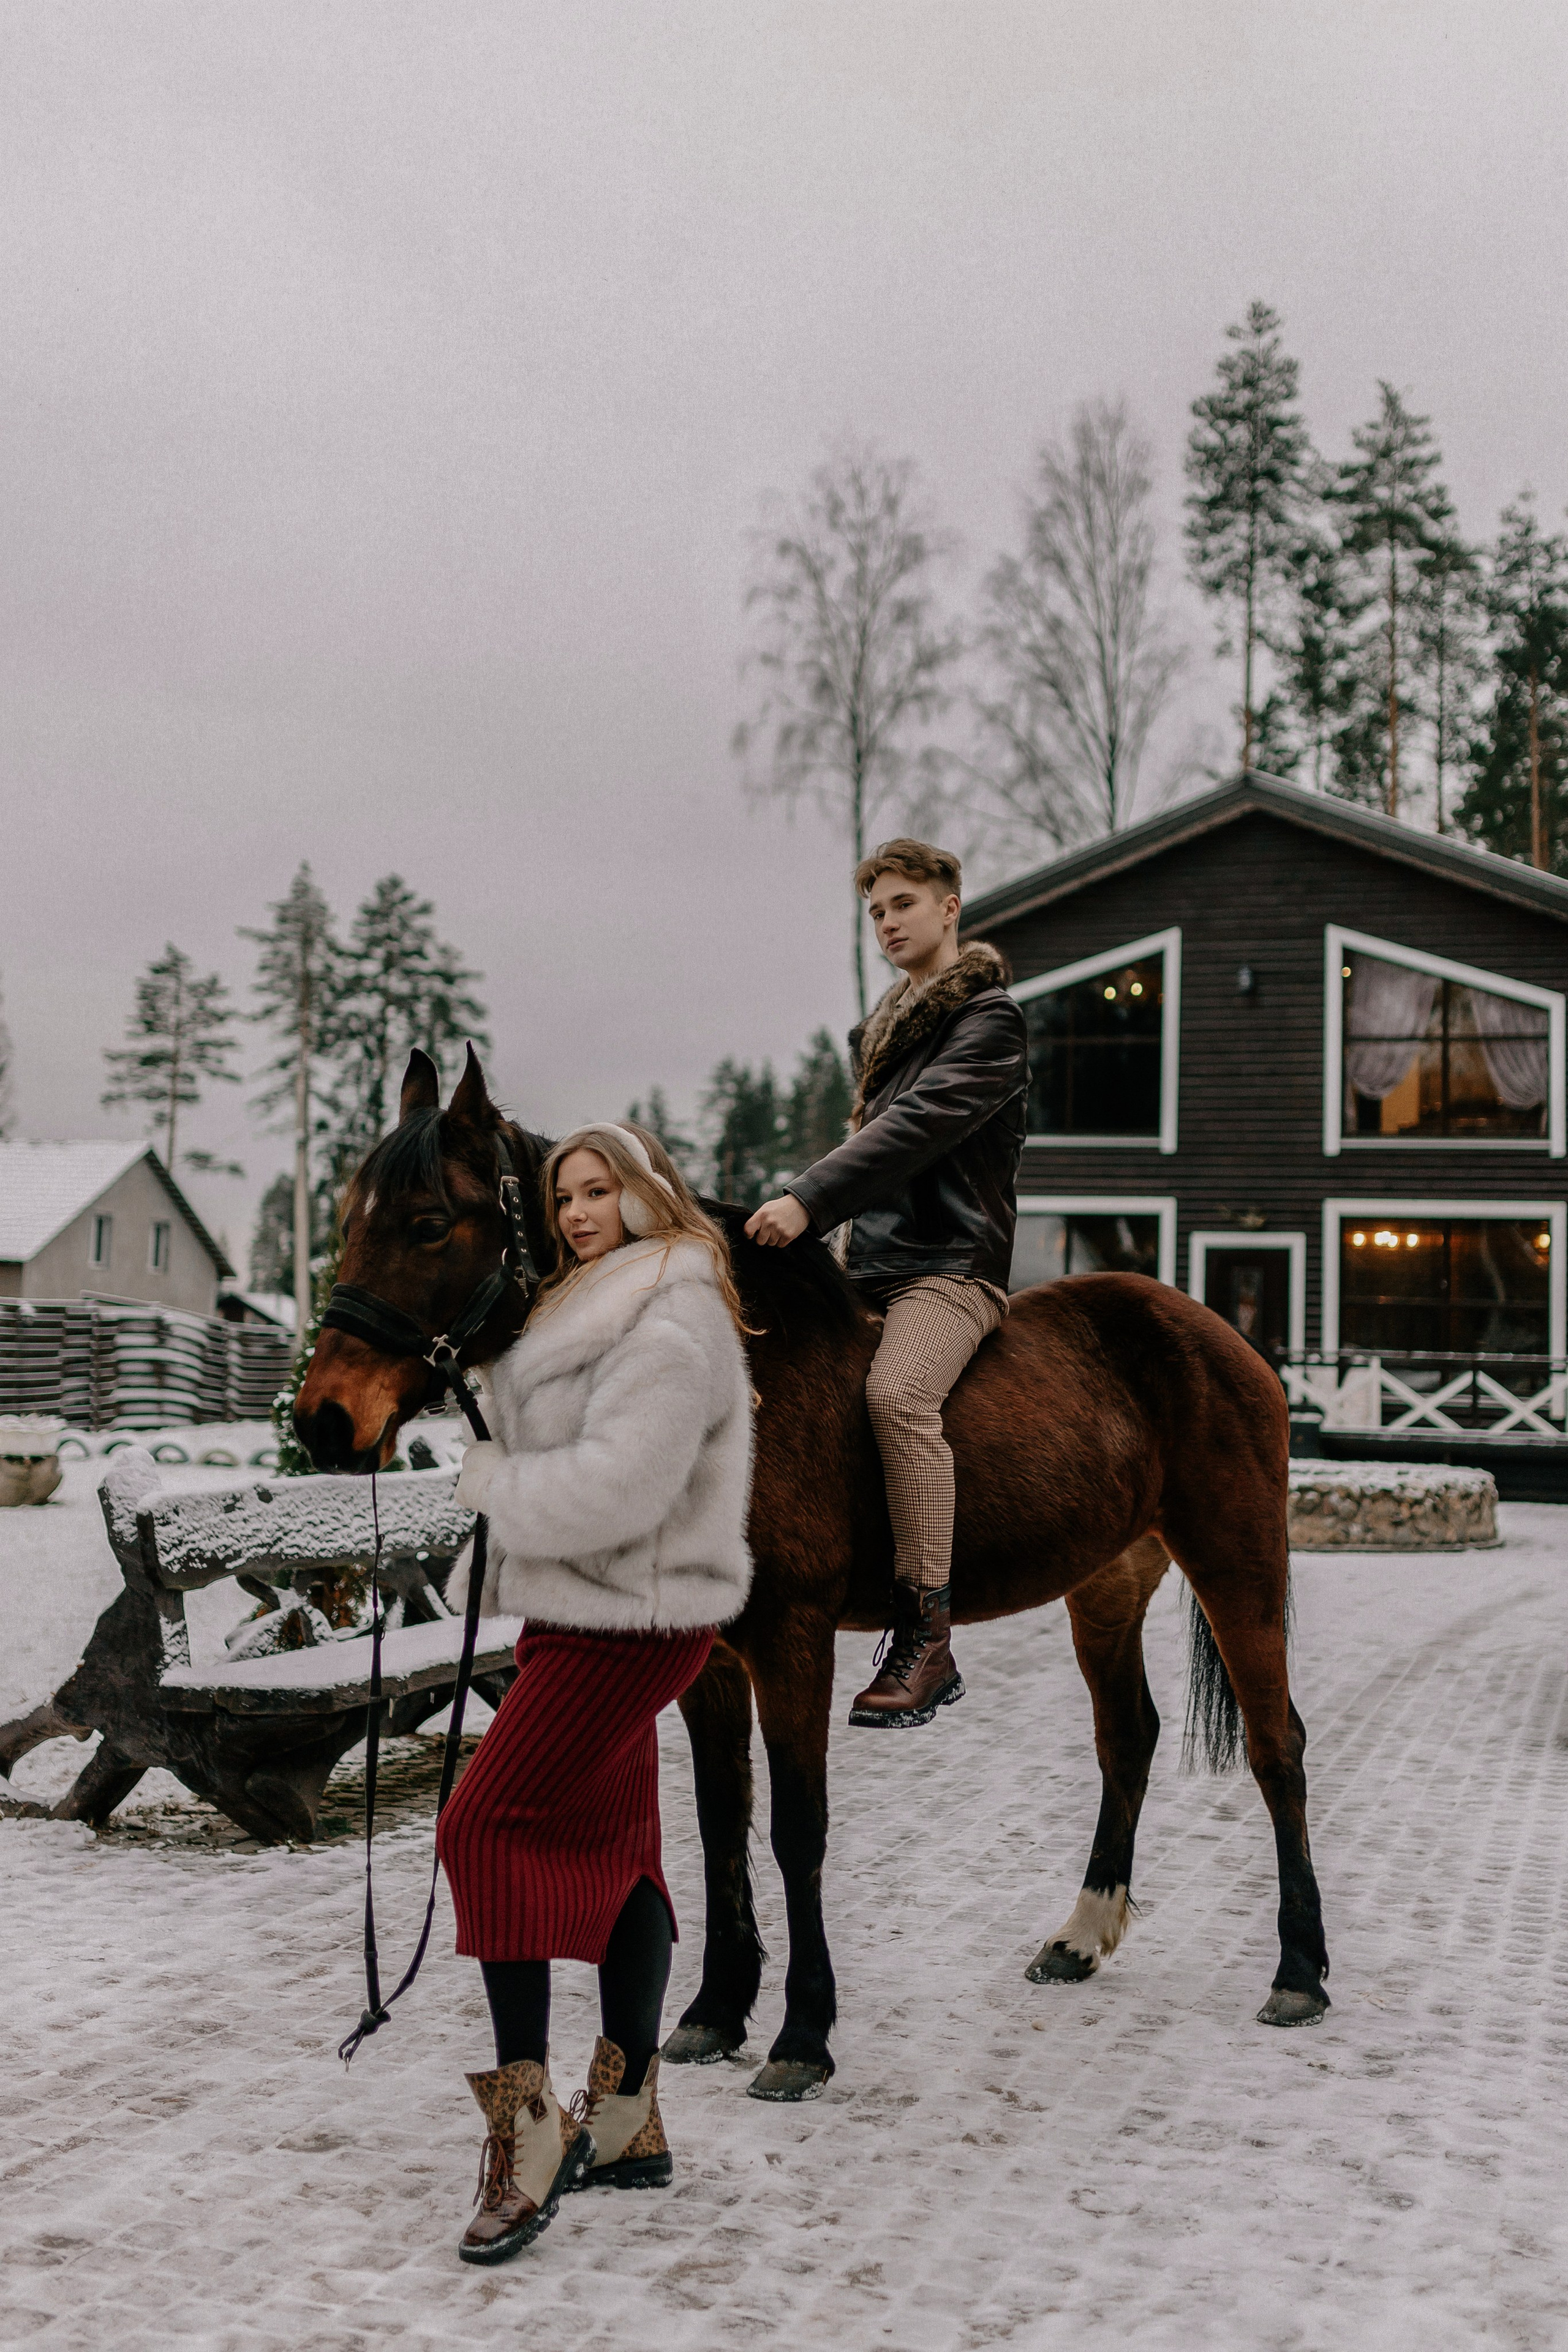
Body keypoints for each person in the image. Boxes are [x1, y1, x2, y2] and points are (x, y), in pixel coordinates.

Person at [435, 1121, 754, 2266]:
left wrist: (492, 1481)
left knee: (480, 1825)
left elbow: (622, 1487)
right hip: (582, 1607)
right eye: (564, 1194)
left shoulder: (674, 1313)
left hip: (636, 1615)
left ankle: (529, 2145)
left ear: (646, 1192)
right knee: (620, 1852)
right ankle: (625, 2125)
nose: (577, 1211)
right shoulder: (596, 1298)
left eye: (599, 1189)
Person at [745, 839, 1027, 1728]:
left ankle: (927, 1637)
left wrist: (808, 1198)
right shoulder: (887, 1030)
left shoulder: (990, 1023)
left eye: (903, 903)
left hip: (950, 1271)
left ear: (950, 907)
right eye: (875, 911)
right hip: (866, 1270)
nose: (887, 923)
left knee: (900, 1397)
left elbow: (914, 1129)